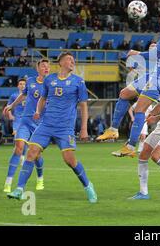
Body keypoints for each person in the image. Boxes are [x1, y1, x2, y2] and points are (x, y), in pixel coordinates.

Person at [7, 52, 97, 203]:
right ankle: (19, 189)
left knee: (69, 160)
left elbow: (83, 106)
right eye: (69, 59)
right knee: (31, 153)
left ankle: (88, 186)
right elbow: (42, 98)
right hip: (46, 125)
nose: (72, 62)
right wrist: (37, 111)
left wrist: (84, 128)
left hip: (65, 128)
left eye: (73, 60)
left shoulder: (78, 82)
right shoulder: (50, 79)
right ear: (61, 62)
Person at [96, 9, 160, 158]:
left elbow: (154, 55)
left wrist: (135, 53)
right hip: (157, 73)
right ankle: (113, 129)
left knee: (140, 110)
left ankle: (130, 146)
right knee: (124, 94)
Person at [2, 60, 50, 193]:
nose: (46, 68)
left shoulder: (52, 84)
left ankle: (40, 178)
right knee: (18, 148)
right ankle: (8, 181)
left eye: (48, 66)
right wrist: (12, 105)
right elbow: (23, 95)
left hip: (40, 124)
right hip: (25, 121)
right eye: (43, 66)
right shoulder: (30, 81)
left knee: (35, 155)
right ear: (38, 68)